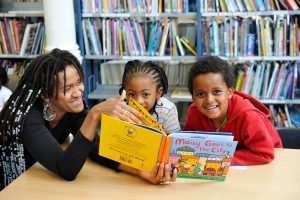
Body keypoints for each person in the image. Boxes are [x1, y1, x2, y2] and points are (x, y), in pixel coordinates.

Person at [0, 49, 176, 191]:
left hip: (40, 185)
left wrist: (140, 171)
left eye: (79, 82)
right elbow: (66, 169)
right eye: (68, 88)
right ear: (46, 95)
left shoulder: (71, 109)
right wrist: (94, 114)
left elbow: (96, 148)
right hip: (15, 188)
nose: (78, 92)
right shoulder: (28, 118)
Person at [184, 55, 282, 166]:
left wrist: (221, 159)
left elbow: (265, 154)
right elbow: (189, 145)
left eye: (216, 92)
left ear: (230, 92)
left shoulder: (247, 116)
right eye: (200, 94)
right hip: (221, 168)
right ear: (193, 98)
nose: (209, 100)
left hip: (267, 164)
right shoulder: (194, 112)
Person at [118, 60, 181, 135]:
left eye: (145, 94)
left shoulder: (167, 110)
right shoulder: (120, 109)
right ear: (125, 93)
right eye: (132, 94)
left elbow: (175, 140)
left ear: (158, 93)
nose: (138, 101)